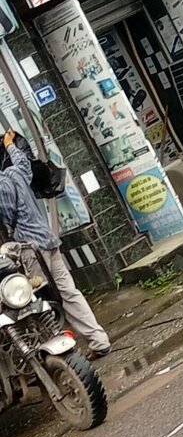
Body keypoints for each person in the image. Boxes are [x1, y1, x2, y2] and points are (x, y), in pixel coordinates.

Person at [0, 130, 111, 360]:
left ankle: (63, 355)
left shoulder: (2, 186)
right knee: (69, 293)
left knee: (37, 303)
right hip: (48, 240)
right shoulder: (16, 172)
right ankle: (99, 341)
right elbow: (23, 161)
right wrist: (10, 144)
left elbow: (8, 215)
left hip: (31, 249)